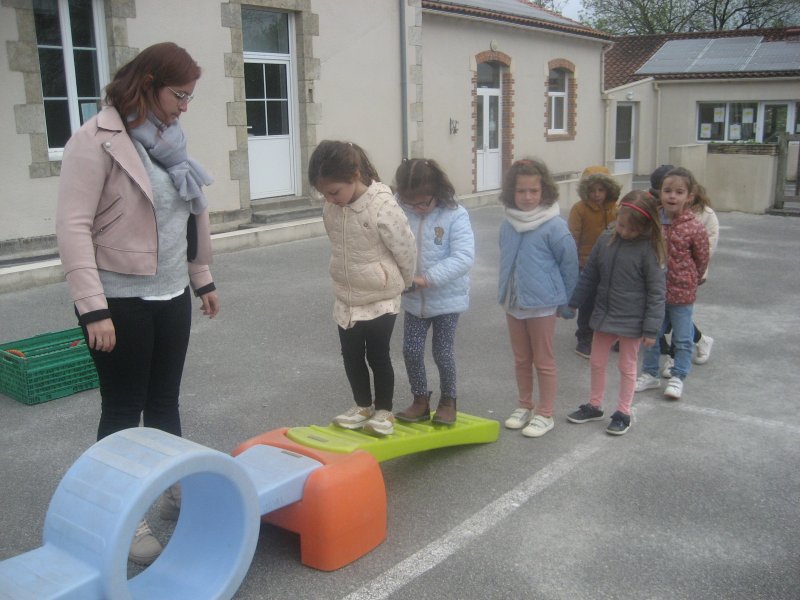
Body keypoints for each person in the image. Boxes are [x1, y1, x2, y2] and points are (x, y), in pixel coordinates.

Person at [55, 42, 219, 565]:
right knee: (124, 409)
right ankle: (121, 515)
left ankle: (172, 486)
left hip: (171, 292)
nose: (185, 107)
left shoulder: (170, 141)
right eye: (179, 95)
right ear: (148, 84)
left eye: (190, 97)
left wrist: (201, 278)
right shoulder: (95, 140)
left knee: (165, 401)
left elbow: (188, 214)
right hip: (118, 299)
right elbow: (73, 226)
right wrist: (92, 307)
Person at [308, 140, 416, 437]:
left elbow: (405, 247)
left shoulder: (382, 206)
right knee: (351, 354)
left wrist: (405, 281)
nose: (330, 199)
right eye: (324, 194)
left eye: (333, 192)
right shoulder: (332, 207)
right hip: (347, 296)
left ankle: (384, 410)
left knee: (378, 355)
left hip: (381, 296)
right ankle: (362, 406)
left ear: (355, 176)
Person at [563, 191, 666, 435]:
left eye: (632, 229)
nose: (625, 232)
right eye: (621, 225)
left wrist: (651, 329)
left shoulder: (649, 250)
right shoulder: (606, 239)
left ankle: (623, 412)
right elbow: (589, 275)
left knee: (627, 366)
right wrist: (574, 302)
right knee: (597, 361)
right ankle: (595, 405)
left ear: (646, 226)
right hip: (604, 314)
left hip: (633, 320)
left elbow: (657, 292)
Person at [498, 159, 579, 438]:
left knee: (543, 360)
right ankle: (524, 405)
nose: (528, 197)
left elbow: (569, 265)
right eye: (521, 191)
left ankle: (545, 413)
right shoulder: (507, 224)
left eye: (534, 190)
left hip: (543, 305)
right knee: (521, 359)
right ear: (512, 192)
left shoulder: (554, 226)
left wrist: (567, 303)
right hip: (513, 303)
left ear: (544, 191)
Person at [392, 159, 475, 425]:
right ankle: (420, 400)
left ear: (437, 191)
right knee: (411, 350)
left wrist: (426, 279)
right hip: (414, 301)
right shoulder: (400, 211)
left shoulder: (455, 215)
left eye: (422, 203)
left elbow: (463, 257)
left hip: (447, 300)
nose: (416, 208)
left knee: (442, 352)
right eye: (410, 203)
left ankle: (448, 401)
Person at [636, 167, 710, 400]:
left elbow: (701, 258)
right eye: (667, 191)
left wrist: (690, 279)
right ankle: (650, 373)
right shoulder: (652, 222)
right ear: (660, 193)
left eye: (679, 192)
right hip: (655, 293)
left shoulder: (694, 226)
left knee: (682, 337)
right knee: (652, 334)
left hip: (682, 294)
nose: (672, 196)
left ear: (689, 196)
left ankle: (678, 376)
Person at [567, 166, 621, 358]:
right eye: (592, 190)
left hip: (612, 264)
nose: (597, 194)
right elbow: (572, 237)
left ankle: (611, 333)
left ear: (608, 190)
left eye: (601, 190)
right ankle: (585, 337)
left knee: (611, 301)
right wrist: (573, 264)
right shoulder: (579, 209)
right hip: (586, 263)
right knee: (587, 302)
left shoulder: (616, 209)